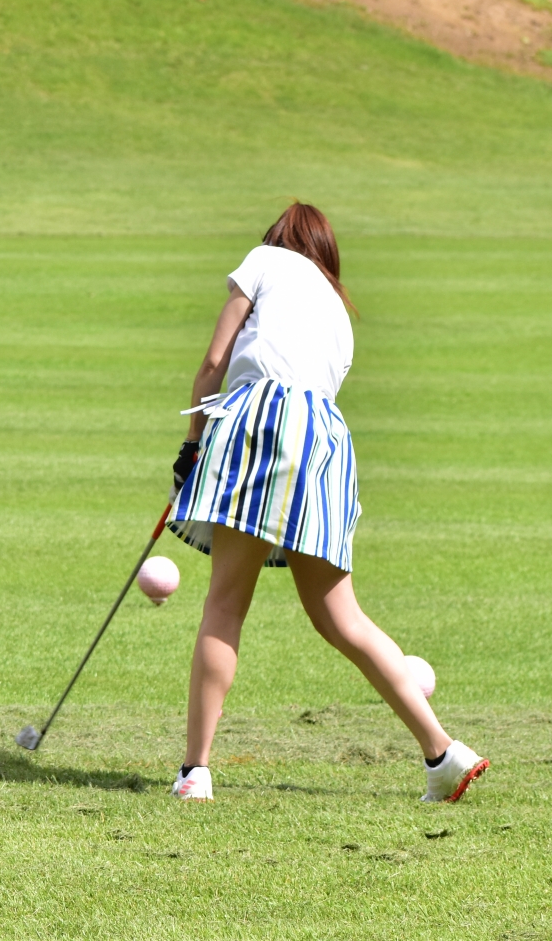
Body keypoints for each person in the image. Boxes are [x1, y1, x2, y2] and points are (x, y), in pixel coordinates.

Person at [165, 202, 488, 803]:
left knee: (226, 602)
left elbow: (214, 363)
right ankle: (444, 753)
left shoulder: (264, 259)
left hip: (262, 419)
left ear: (279, 240)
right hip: (327, 442)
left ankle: (196, 772)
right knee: (341, 618)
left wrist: (190, 448)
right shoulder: (340, 312)